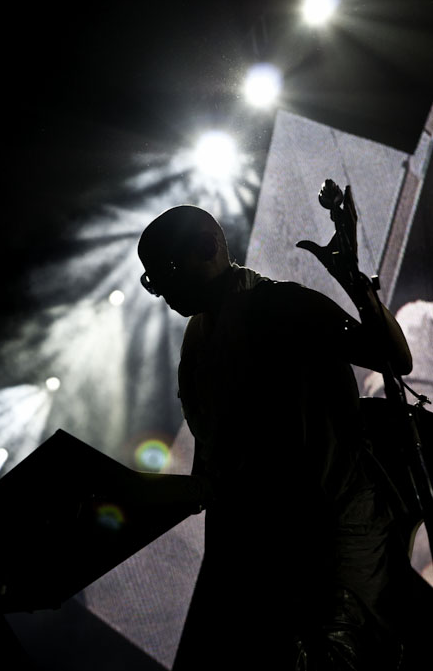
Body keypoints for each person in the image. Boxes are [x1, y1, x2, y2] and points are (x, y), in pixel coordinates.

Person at [137, 199, 424, 670]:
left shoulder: (281, 306)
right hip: (271, 557)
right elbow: (214, 464)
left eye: (166, 271)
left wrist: (356, 282)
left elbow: (393, 359)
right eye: (152, 280)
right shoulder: (197, 343)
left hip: (332, 541)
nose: (162, 291)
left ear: (207, 247)